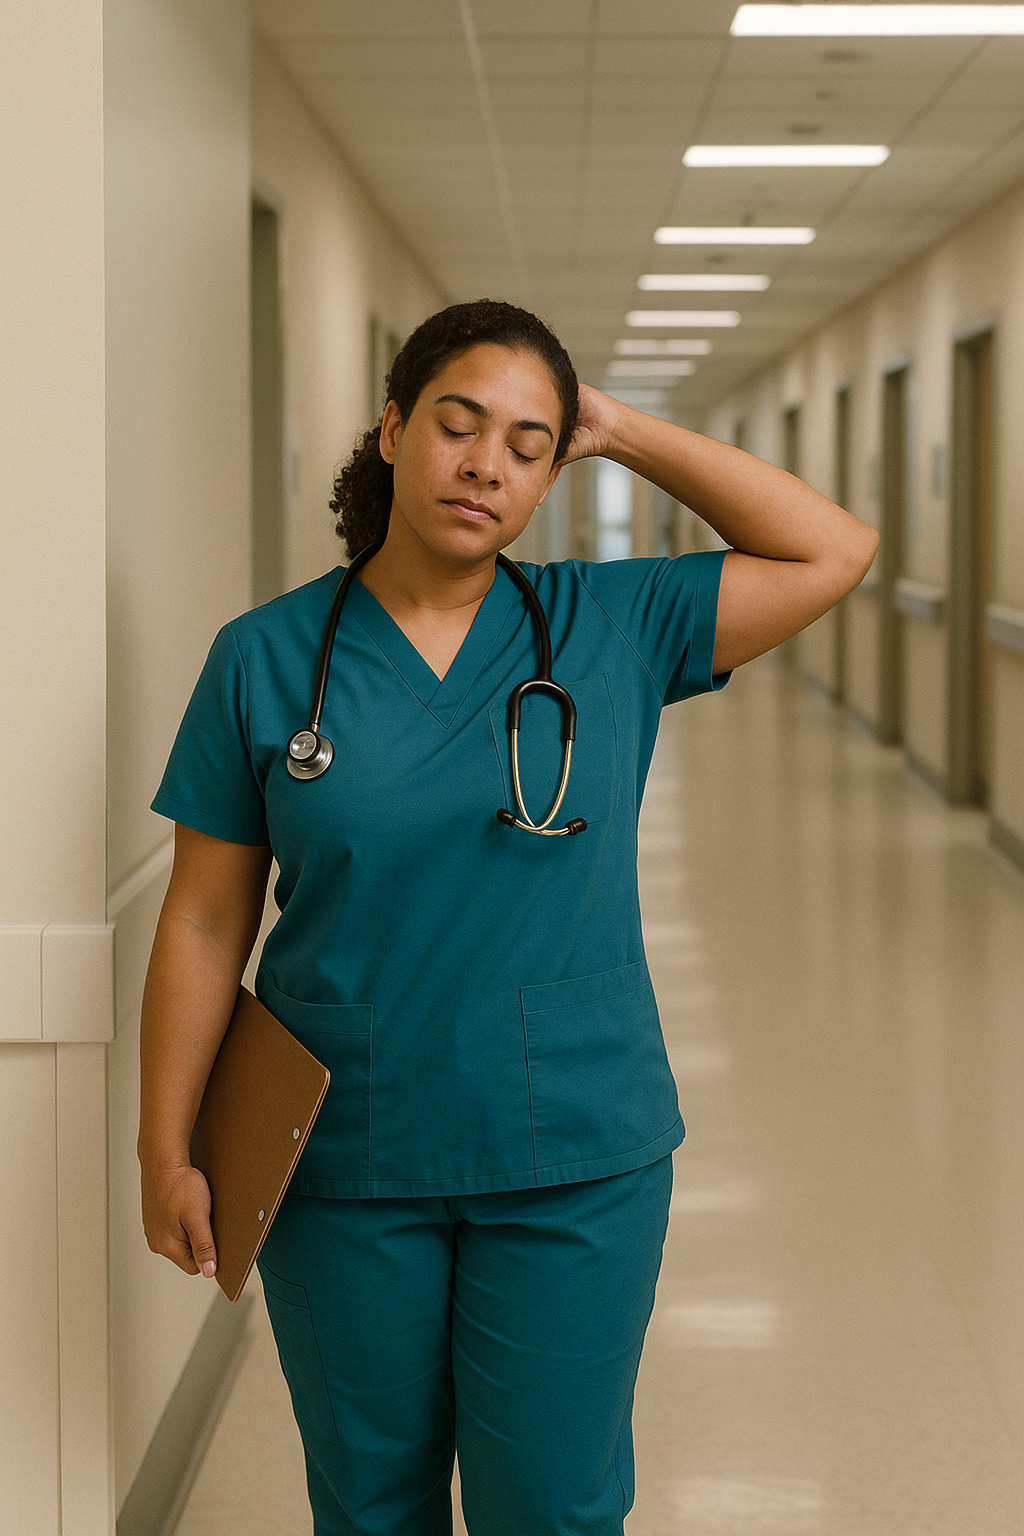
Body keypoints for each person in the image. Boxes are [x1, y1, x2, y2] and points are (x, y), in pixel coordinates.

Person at [140, 299, 877, 1535]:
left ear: (552, 470)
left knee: (552, 1506)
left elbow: (832, 551)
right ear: (391, 430)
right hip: (343, 1153)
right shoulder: (263, 660)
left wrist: (625, 429)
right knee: (371, 1504)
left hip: (573, 1155)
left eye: (529, 443)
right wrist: (166, 1148)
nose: (485, 462)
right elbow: (205, 922)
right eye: (458, 423)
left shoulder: (612, 627)